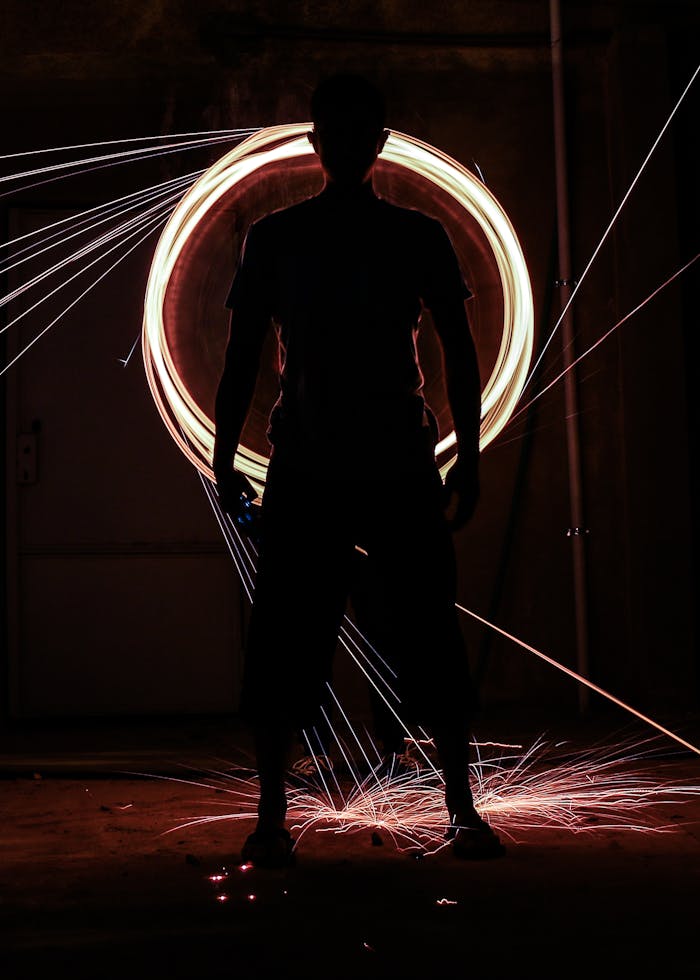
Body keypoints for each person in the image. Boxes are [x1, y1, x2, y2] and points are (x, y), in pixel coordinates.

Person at [213, 72, 505, 866]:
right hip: (323, 463)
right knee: (287, 637)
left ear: (377, 144)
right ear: (319, 144)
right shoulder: (280, 238)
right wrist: (220, 455)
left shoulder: (407, 238)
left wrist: (468, 458)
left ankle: (457, 810)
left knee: (421, 633)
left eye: (359, 133)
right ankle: (282, 815)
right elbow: (243, 355)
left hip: (381, 462)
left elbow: (462, 348)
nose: (346, 146)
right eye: (335, 133)